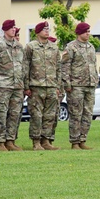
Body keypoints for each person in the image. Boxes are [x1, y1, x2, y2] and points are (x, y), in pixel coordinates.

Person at [0, 19, 27, 151]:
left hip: (17, 85)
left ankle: (10, 140)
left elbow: (23, 66)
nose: (14, 30)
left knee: (15, 114)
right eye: (11, 28)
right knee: (1, 114)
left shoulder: (19, 46)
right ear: (5, 30)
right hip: (2, 84)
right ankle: (0, 142)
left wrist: (24, 84)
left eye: (15, 28)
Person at [24, 22, 62, 150]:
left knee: (49, 115)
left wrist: (58, 87)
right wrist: (26, 86)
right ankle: (36, 142)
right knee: (36, 115)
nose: (47, 31)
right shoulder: (31, 47)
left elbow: (58, 68)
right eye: (44, 29)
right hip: (36, 86)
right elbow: (26, 67)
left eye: (48, 29)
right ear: (38, 31)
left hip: (51, 86)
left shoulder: (54, 48)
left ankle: (46, 140)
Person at [63, 23, 99, 150]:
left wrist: (95, 80)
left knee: (87, 113)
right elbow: (65, 66)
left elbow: (93, 65)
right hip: (76, 85)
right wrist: (67, 83)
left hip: (90, 84)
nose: (88, 34)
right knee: (76, 114)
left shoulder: (91, 47)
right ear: (79, 33)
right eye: (86, 32)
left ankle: (83, 139)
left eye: (89, 31)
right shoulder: (71, 47)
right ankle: (75, 141)